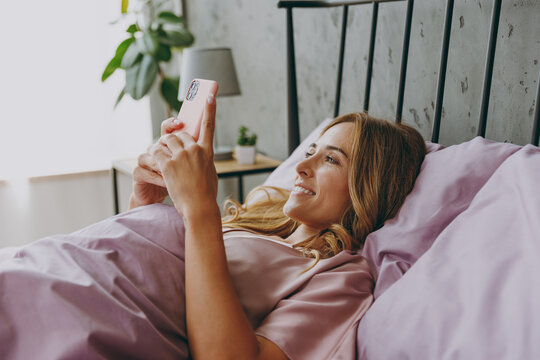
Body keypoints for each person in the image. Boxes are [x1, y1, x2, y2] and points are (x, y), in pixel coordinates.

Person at [129, 93, 427, 359]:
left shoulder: (340, 278)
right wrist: (145, 206)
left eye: (332, 159)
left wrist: (201, 209)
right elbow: (154, 269)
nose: (300, 167)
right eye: (310, 152)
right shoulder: (256, 226)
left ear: (369, 189)